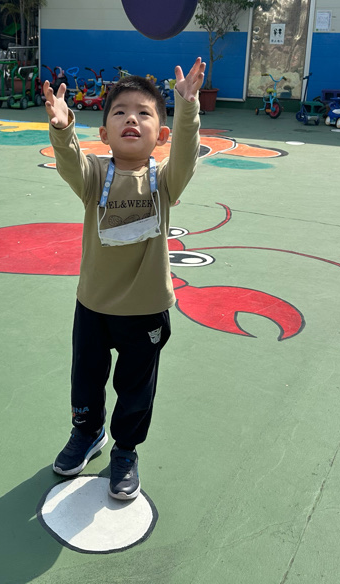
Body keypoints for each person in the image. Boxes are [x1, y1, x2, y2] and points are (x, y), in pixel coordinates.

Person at [42, 58, 205, 500]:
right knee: (85, 378)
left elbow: (186, 156)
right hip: (94, 304)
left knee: (135, 388)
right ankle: (87, 432)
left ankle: (126, 450)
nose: (131, 118)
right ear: (103, 133)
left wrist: (187, 107)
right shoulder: (95, 176)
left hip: (145, 309)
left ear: (161, 134)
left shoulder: (164, 182)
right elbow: (70, 163)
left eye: (143, 113)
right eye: (120, 112)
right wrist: (62, 128)